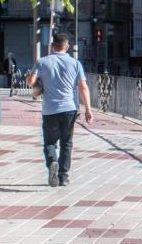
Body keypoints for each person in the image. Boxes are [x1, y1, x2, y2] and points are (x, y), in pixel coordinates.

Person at [27, 33, 93, 186]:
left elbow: (31, 81)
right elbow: (83, 87)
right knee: (66, 142)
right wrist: (88, 109)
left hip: (50, 109)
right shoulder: (75, 63)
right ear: (67, 47)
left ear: (52, 46)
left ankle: (52, 161)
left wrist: (35, 80)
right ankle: (63, 177)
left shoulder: (42, 62)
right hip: (70, 109)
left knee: (50, 142)